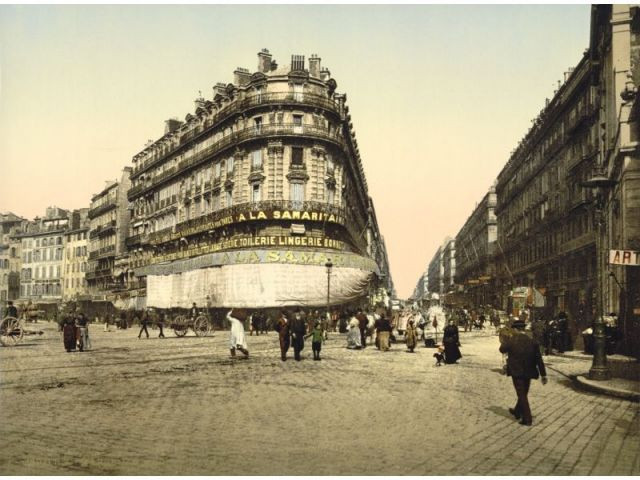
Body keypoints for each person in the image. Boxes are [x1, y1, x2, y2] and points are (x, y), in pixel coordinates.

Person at [499, 319, 548, 426]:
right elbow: (539, 359)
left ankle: (527, 418)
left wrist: (506, 340)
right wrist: (543, 374)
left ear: (516, 329)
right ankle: (517, 410)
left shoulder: (512, 340)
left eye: (513, 329)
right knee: (524, 392)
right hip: (529, 371)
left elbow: (502, 349)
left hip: (517, 372)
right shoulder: (532, 341)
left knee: (521, 394)